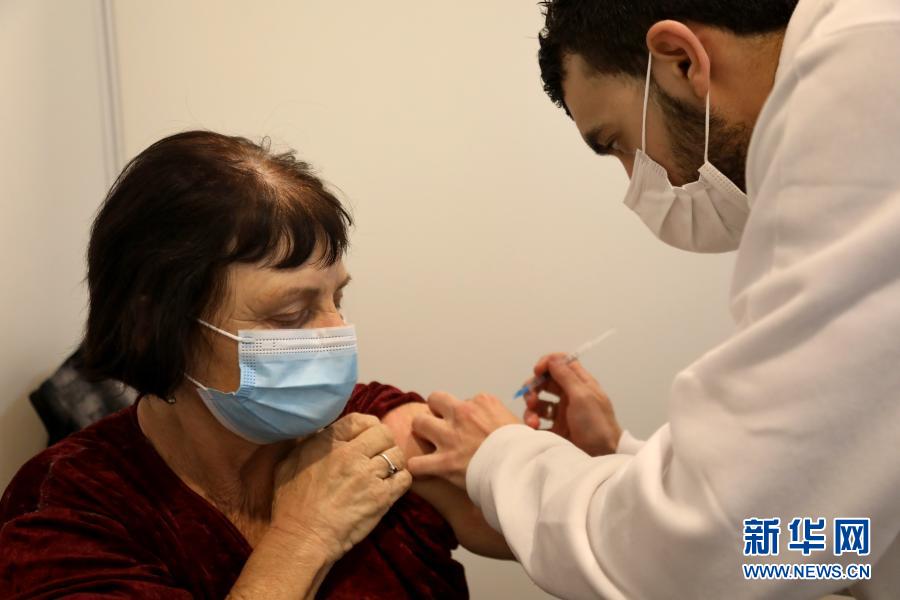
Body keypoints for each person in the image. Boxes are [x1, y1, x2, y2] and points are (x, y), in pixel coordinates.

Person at [408, 0, 900, 598]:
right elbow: (826, 550)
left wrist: (500, 458)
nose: (634, 181)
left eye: (617, 141)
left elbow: (706, 563)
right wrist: (622, 458)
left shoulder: (855, 101)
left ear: (680, 59)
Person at [0, 131, 509, 599]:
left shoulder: (371, 427)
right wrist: (305, 536)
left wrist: (537, 461)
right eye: (290, 315)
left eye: (337, 299)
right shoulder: (66, 507)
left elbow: (526, 531)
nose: (336, 333)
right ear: (150, 326)